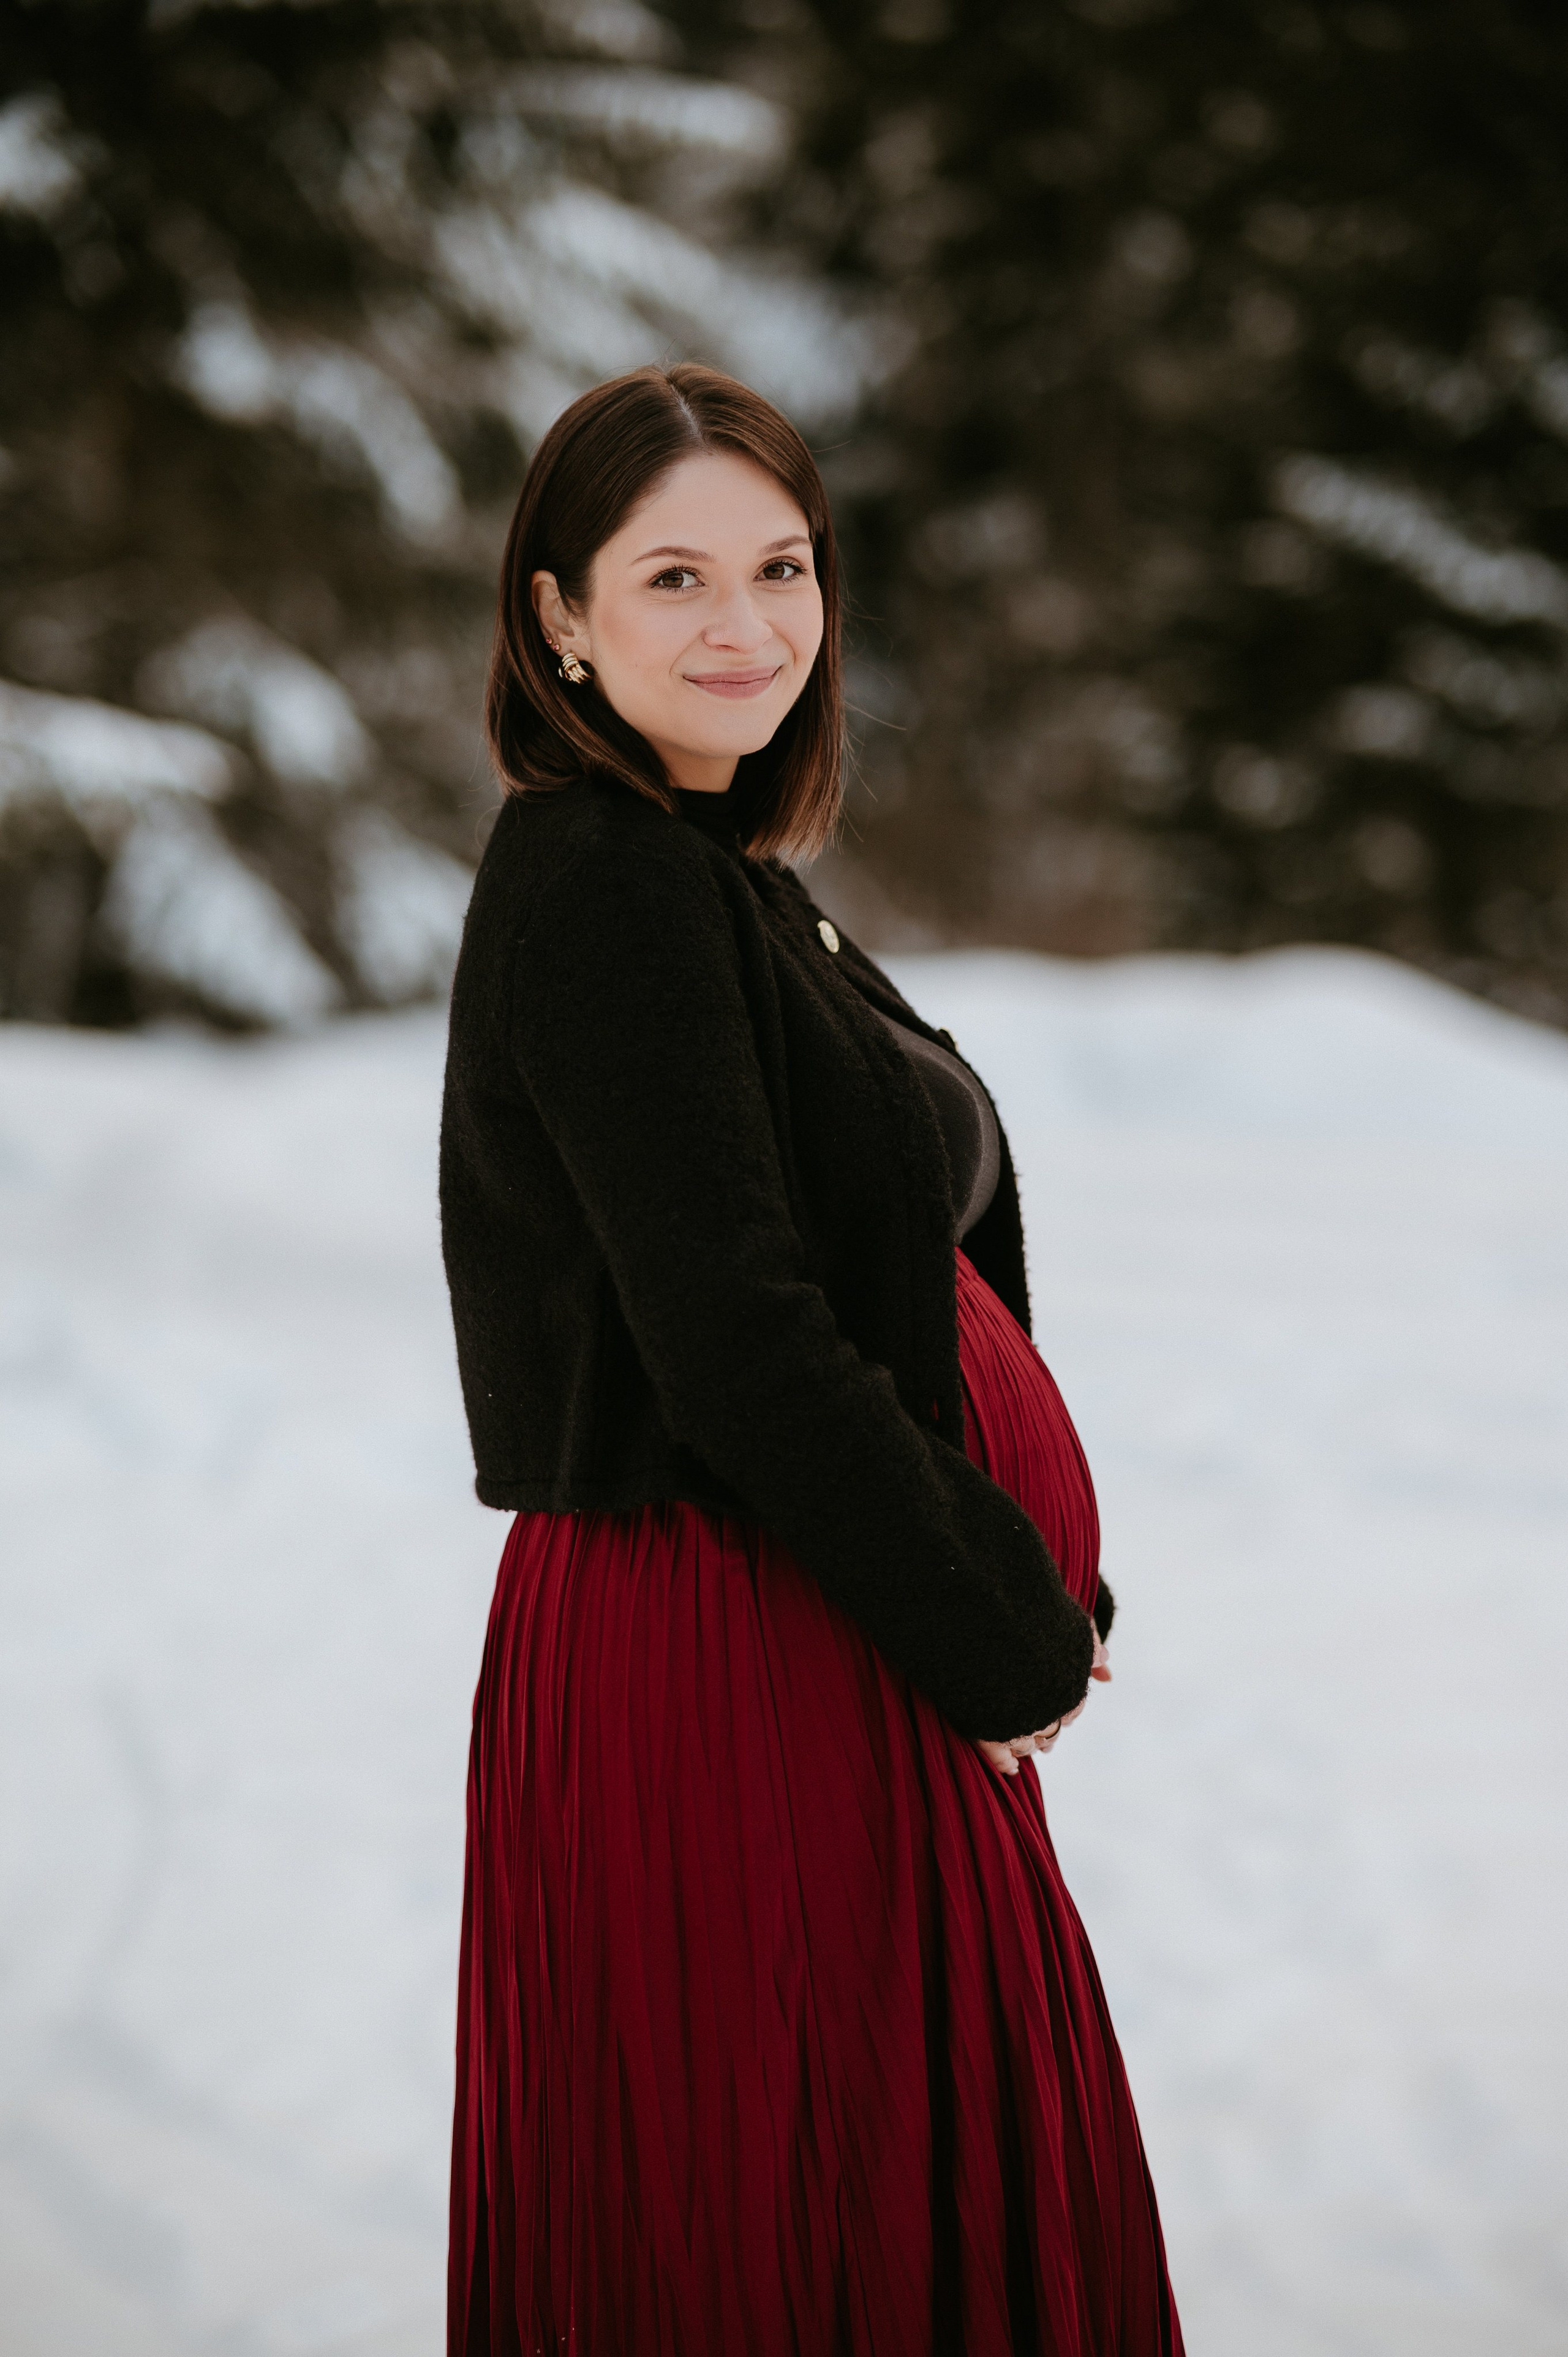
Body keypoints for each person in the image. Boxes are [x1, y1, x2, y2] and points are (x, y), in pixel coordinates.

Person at [439, 360, 1184, 2355]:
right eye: (672, 577)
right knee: (790, 2218)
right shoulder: (602, 885)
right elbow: (738, 1337)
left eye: (783, 566)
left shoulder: (715, 877)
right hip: (729, 1638)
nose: (746, 624)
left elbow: (884, 1266)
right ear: (558, 618)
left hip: (835, 1613)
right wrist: (996, 1624)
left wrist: (1021, 1567)